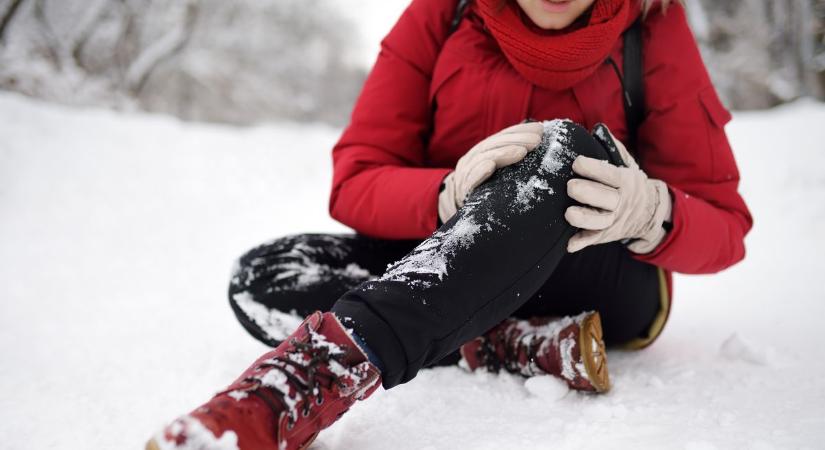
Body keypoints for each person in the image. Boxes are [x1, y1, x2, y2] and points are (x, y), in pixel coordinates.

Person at [147, 0, 752, 448]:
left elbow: (726, 226)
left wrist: (651, 210)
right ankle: (504, 342)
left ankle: (301, 383)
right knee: (265, 274)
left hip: (600, 271)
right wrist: (445, 193)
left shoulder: (654, 25)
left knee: (560, 152)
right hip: (452, 256)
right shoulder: (443, 15)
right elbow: (355, 177)